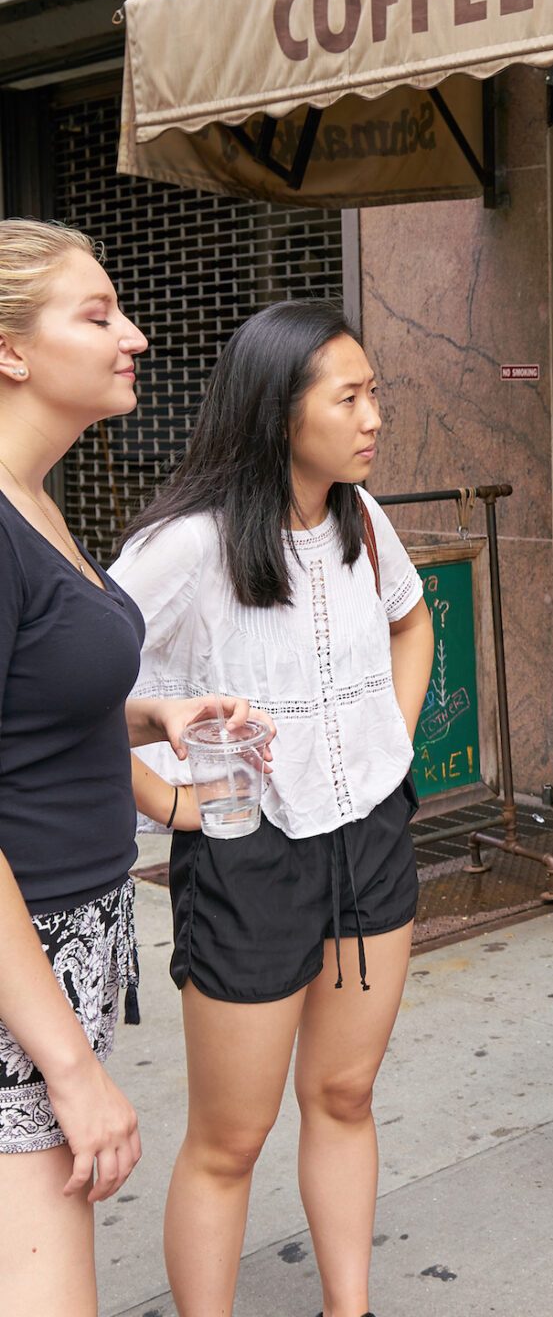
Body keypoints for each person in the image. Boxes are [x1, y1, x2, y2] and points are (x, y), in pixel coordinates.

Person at [111, 301, 433, 1317]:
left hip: (370, 839)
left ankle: (352, 1307)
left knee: (344, 1095)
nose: (374, 414)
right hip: (250, 854)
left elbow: (413, 621)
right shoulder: (186, 547)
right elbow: (69, 691)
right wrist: (171, 805)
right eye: (350, 396)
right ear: (276, 412)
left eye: (376, 391)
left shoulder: (358, 515)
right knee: (231, 1138)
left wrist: (393, 736)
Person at [0, 220, 264, 1317]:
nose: (137, 337)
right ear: (9, 349)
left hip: (70, 941)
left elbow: (32, 708)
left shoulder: (38, 499)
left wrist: (153, 713)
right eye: (98, 315)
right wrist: (66, 1063)